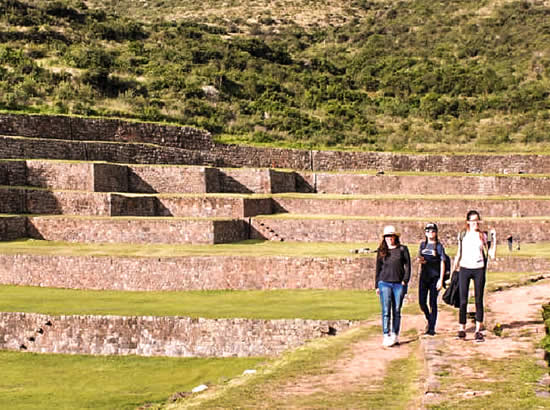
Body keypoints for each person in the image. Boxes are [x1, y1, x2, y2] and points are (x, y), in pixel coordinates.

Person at [451, 210, 496, 342]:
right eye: (473, 220)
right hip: (465, 268)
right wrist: (454, 269)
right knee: (463, 300)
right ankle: (461, 328)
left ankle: (478, 330)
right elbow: (459, 253)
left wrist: (494, 239)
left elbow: (491, 254)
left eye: (477, 220)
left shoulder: (482, 235)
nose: (476, 223)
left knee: (478, 300)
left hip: (479, 269)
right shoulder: (462, 235)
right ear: (468, 222)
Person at [375, 225, 411, 347]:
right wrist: (377, 285)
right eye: (387, 236)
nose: (389, 238)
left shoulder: (402, 249)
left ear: (395, 237)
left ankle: (395, 334)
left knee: (396, 310)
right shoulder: (381, 251)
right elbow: (378, 268)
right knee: (386, 310)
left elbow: (408, 266)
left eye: (391, 236)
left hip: (398, 284)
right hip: (384, 283)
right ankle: (386, 334)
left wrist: (405, 280)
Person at [417, 222, 447, 336]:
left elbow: (442, 262)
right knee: (422, 302)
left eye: (433, 231)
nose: (430, 233)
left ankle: (432, 328)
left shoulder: (439, 246)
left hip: (435, 278)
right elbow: (420, 259)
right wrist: (421, 260)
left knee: (432, 302)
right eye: (428, 231)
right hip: (424, 277)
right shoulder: (422, 245)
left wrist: (441, 279)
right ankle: (429, 319)